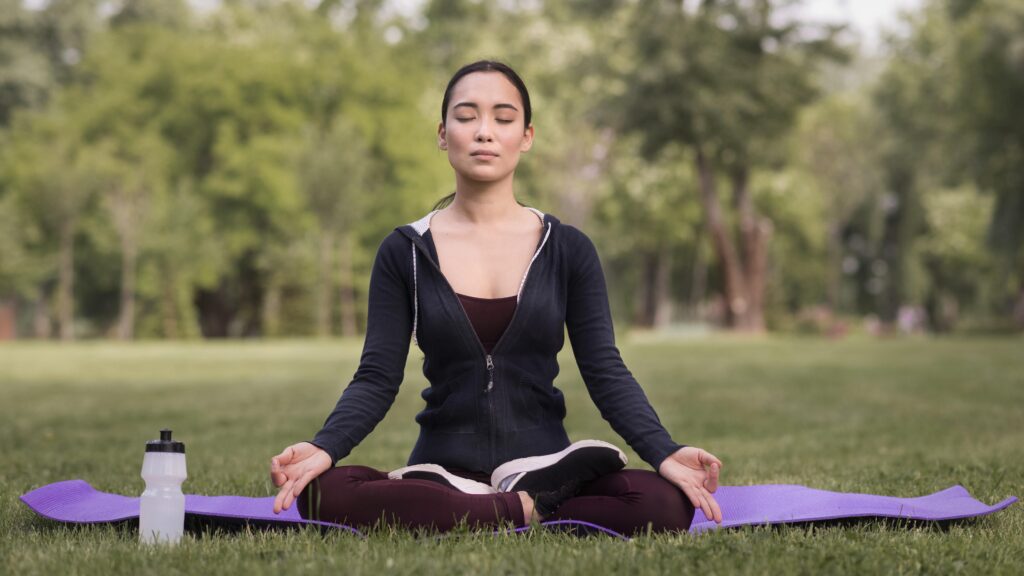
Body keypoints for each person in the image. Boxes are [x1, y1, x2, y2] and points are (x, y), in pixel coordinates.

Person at [270, 60, 722, 535]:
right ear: (443, 134)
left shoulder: (568, 248)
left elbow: (604, 370)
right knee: (322, 493)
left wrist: (664, 451)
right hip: (442, 470)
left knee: (664, 503)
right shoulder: (404, 251)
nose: (484, 131)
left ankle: (504, 501)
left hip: (547, 463)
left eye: (503, 118)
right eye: (467, 117)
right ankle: (529, 509)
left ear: (526, 137)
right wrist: (324, 447)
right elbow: (377, 378)